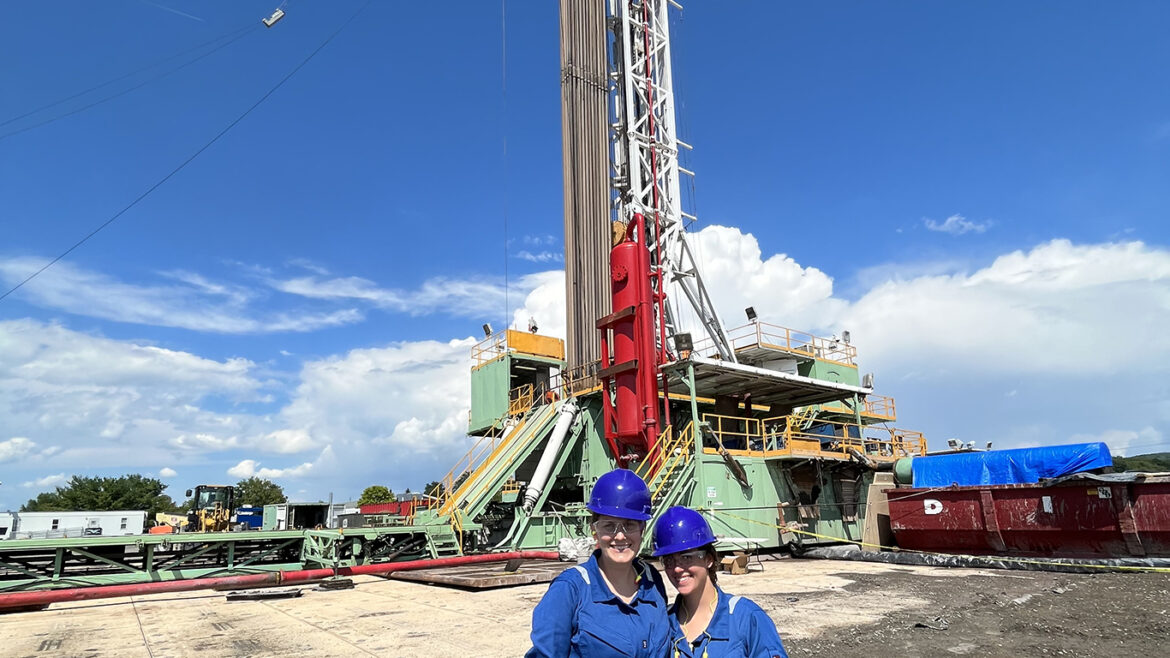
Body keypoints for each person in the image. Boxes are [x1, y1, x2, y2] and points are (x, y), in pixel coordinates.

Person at [526, 469, 670, 657]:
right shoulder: (570, 590)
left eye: (630, 525)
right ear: (594, 530)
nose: (620, 536)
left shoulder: (652, 581)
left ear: (642, 529)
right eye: (609, 525)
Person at [652, 507, 789, 658]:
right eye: (669, 561)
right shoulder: (663, 623)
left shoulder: (745, 618)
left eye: (686, 557)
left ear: (709, 559)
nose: (677, 568)